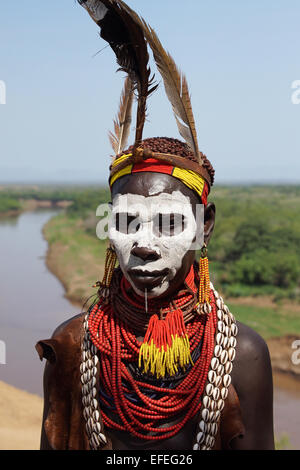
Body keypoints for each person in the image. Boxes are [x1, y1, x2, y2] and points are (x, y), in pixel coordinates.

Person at [36, 0, 274, 450]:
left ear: (205, 227)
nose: (143, 245)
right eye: (127, 221)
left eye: (168, 222)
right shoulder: (71, 346)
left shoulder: (242, 356)